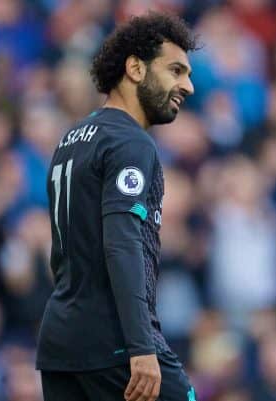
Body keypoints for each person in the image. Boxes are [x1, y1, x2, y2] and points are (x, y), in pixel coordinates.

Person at [35, 12, 198, 401]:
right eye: (175, 70)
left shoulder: (72, 139)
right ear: (135, 68)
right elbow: (121, 243)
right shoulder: (130, 143)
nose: (188, 86)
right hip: (116, 343)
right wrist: (141, 348)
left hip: (61, 344)